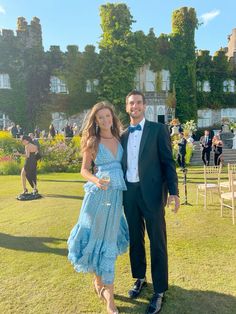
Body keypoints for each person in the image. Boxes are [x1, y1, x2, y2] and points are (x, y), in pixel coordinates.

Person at [121, 90, 179, 314]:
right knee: (135, 239)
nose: (134, 106)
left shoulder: (158, 130)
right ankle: (139, 278)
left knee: (157, 242)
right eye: (130, 103)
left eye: (138, 103)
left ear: (144, 106)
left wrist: (173, 192)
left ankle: (159, 290)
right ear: (127, 108)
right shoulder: (123, 135)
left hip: (153, 195)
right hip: (130, 194)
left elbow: (168, 162)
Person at [67, 101, 129, 314]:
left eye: (107, 116)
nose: (104, 120)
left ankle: (103, 287)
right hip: (97, 197)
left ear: (112, 117)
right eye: (100, 117)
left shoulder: (120, 137)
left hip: (116, 196)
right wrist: (95, 180)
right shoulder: (92, 141)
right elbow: (84, 170)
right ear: (95, 120)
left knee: (108, 240)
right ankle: (106, 294)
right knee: (95, 237)